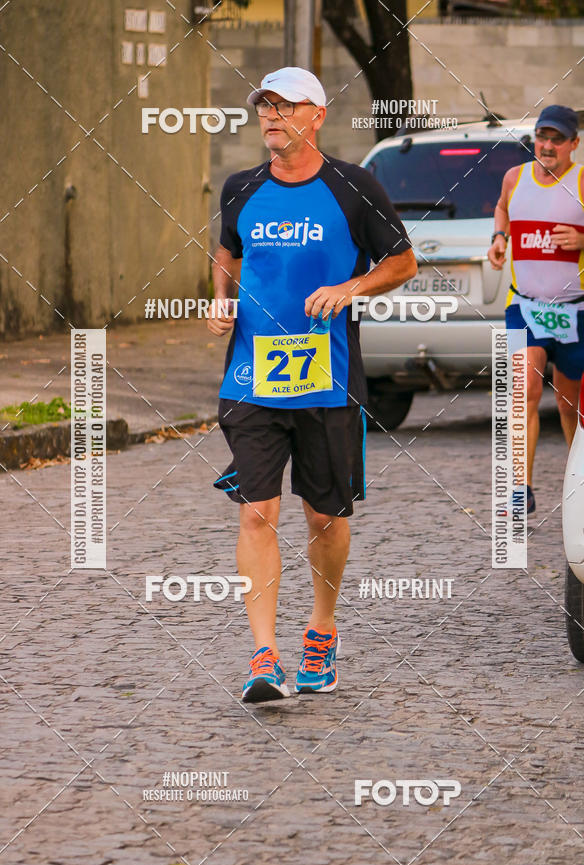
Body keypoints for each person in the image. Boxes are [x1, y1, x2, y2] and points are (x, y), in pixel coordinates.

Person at [207, 67, 417, 702]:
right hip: (252, 377)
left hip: (326, 381)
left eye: (285, 106)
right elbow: (227, 251)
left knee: (324, 516)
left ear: (316, 115)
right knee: (256, 510)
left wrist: (350, 288)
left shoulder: (354, 187)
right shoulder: (240, 188)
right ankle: (263, 658)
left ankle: (321, 629)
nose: (271, 116)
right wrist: (220, 302)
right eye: (264, 107)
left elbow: (403, 261)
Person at [488, 104, 584, 513]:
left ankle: (581, 489)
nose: (547, 146)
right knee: (524, 392)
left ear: (574, 143)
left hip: (580, 310)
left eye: (557, 139)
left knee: (572, 404)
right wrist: (499, 237)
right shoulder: (514, 178)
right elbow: (502, 206)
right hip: (525, 306)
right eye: (542, 137)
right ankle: (520, 490)